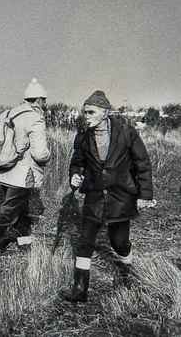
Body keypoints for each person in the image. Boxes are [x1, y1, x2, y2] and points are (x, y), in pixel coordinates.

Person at [61, 90, 154, 302]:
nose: (86, 116)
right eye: (85, 112)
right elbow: (77, 163)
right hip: (94, 197)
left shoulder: (126, 132)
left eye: (91, 112)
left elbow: (143, 163)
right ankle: (79, 289)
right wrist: (75, 176)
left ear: (105, 112)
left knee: (119, 241)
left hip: (121, 197)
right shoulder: (83, 136)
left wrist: (144, 194)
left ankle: (126, 274)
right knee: (85, 241)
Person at [0, 78, 51, 264]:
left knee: (20, 208)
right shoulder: (35, 117)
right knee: (8, 212)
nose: (45, 104)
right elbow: (40, 154)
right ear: (39, 100)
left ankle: (25, 245)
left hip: (7, 170)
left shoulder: (9, 113)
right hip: (24, 175)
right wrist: (48, 155)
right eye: (44, 100)